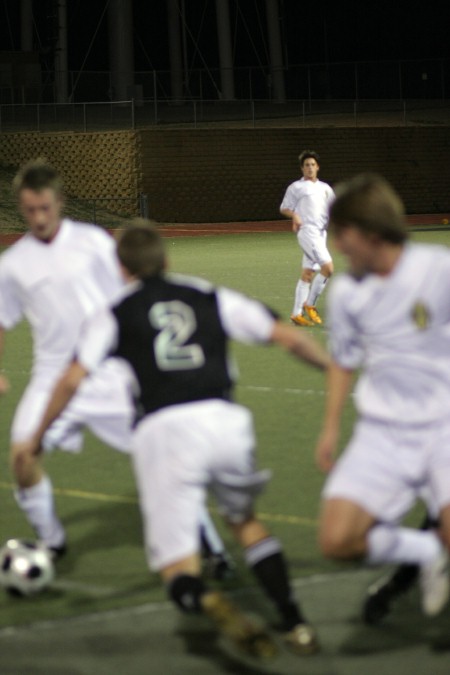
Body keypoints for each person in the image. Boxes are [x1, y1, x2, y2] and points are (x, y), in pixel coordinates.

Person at [16, 220, 331, 658]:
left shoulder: (113, 312)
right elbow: (284, 336)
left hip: (166, 433)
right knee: (246, 523)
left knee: (177, 567)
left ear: (121, 269)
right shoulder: (207, 293)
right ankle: (295, 622)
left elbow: (70, 380)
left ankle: (207, 600)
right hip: (226, 422)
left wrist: (37, 434)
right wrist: (333, 368)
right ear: (167, 259)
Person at [0, 159, 231, 577]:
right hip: (54, 377)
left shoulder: (93, 243)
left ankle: (211, 548)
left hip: (110, 373)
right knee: (22, 455)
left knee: (166, 460)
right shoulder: (13, 263)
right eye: (30, 210)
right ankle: (50, 542)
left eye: (45, 209)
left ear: (60, 202)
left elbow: (135, 289)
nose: (38, 218)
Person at [314, 173, 450, 621]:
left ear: (371, 232)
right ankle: (427, 552)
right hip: (382, 432)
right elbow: (344, 360)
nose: (336, 244)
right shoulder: (348, 293)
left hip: (443, 426)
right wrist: (331, 426)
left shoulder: (438, 269)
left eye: (342, 233)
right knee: (337, 539)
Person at [280, 150, 335, 327]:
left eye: (312, 165)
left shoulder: (325, 188)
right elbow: (284, 208)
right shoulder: (296, 187)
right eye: (306, 165)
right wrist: (295, 215)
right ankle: (310, 304)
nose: (310, 168)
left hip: (321, 234)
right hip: (307, 232)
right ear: (302, 169)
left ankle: (296, 314)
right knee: (328, 268)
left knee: (308, 274)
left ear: (317, 167)